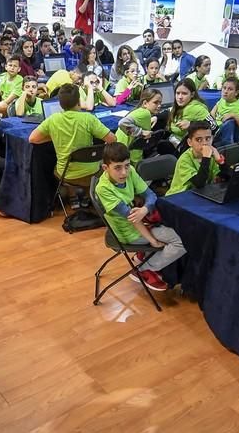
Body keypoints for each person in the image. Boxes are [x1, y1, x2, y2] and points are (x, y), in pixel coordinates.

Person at [95, 142, 186, 292]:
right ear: (106, 168)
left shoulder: (130, 171)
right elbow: (132, 218)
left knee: (179, 227)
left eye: (126, 165)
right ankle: (144, 269)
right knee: (182, 241)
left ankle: (141, 256)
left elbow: (150, 194)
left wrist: (145, 209)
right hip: (128, 232)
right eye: (118, 168)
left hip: (140, 221)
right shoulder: (103, 188)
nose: (124, 172)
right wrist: (152, 241)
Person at [29, 83, 116, 188]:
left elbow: (32, 139)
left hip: (67, 174)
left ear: (60, 104)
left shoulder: (53, 119)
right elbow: (112, 139)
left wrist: (53, 135)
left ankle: (72, 197)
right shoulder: (88, 118)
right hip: (93, 171)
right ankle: (88, 195)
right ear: (79, 101)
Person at [167, 121, 222, 196]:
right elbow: (199, 184)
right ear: (190, 142)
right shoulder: (185, 159)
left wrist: (220, 161)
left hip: (201, 193)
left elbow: (224, 177)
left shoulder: (211, 155)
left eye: (208, 138)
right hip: (179, 196)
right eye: (199, 140)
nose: (204, 143)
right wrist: (206, 158)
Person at [116, 87, 164, 164]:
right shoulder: (145, 113)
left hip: (121, 152)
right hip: (129, 155)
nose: (159, 106)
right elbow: (122, 123)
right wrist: (141, 132)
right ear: (145, 103)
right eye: (156, 103)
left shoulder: (140, 111)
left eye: (160, 103)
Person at [211, 76, 239, 148]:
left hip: (222, 138)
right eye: (224, 88)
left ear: (236, 92)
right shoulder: (222, 100)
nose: (225, 91)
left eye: (230, 89)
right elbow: (212, 113)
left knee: (229, 123)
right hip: (213, 129)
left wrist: (233, 115)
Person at [168, 79, 210, 143]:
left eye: (184, 93)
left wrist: (191, 124)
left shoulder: (192, 108)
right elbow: (169, 111)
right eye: (177, 93)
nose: (180, 97)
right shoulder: (186, 105)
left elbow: (213, 126)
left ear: (192, 94)